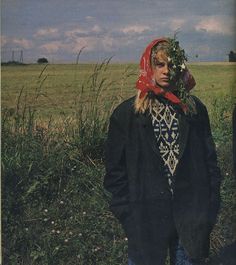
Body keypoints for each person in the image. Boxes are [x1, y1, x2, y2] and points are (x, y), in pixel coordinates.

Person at [104, 37, 222, 265]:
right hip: (145, 219)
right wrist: (129, 216)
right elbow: (114, 174)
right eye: (160, 64)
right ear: (149, 67)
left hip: (189, 217)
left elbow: (210, 162)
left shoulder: (194, 110)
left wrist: (210, 206)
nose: (166, 71)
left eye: (172, 65)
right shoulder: (126, 115)